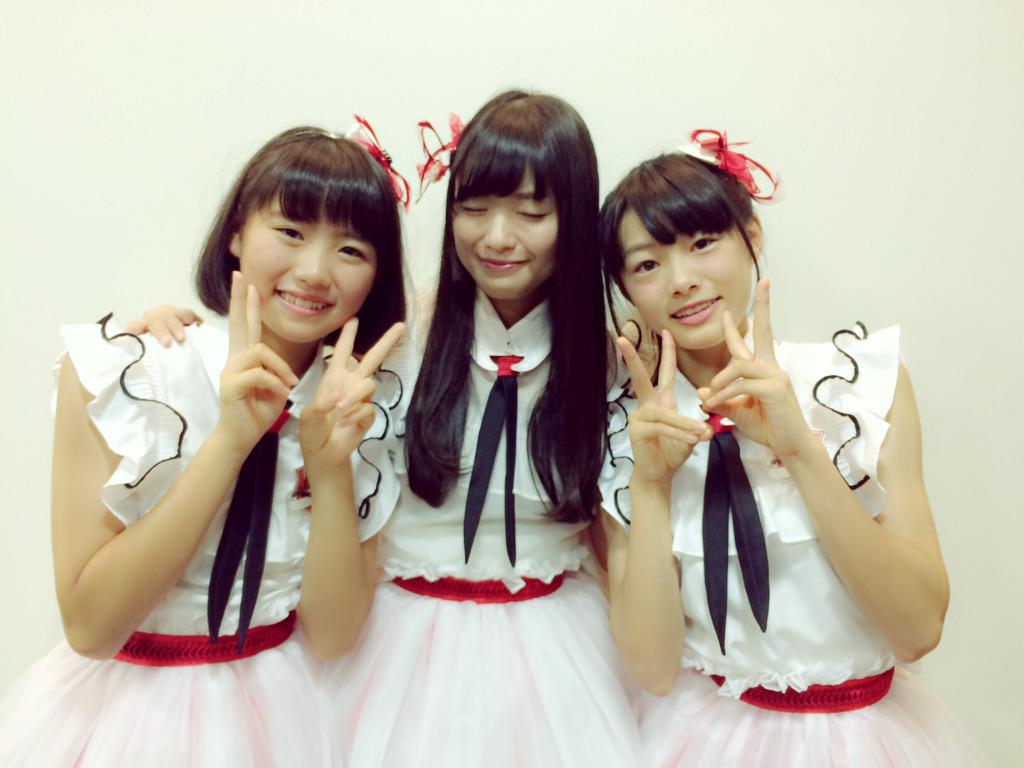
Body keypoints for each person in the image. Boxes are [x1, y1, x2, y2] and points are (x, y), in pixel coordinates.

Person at [0, 125, 406, 767]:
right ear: (237, 232)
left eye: (351, 249)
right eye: (291, 231)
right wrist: (230, 442)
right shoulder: (127, 373)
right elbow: (90, 627)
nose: (313, 271)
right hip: (125, 722)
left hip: (283, 717)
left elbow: (332, 640)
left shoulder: (361, 409)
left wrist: (330, 468)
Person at [598, 131, 988, 766]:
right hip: (705, 740)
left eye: (703, 243)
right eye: (647, 264)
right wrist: (649, 486)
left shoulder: (857, 387)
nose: (682, 281)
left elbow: (919, 629)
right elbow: (653, 669)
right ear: (625, 288)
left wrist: (802, 451)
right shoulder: (627, 430)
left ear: (751, 236)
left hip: (867, 741)